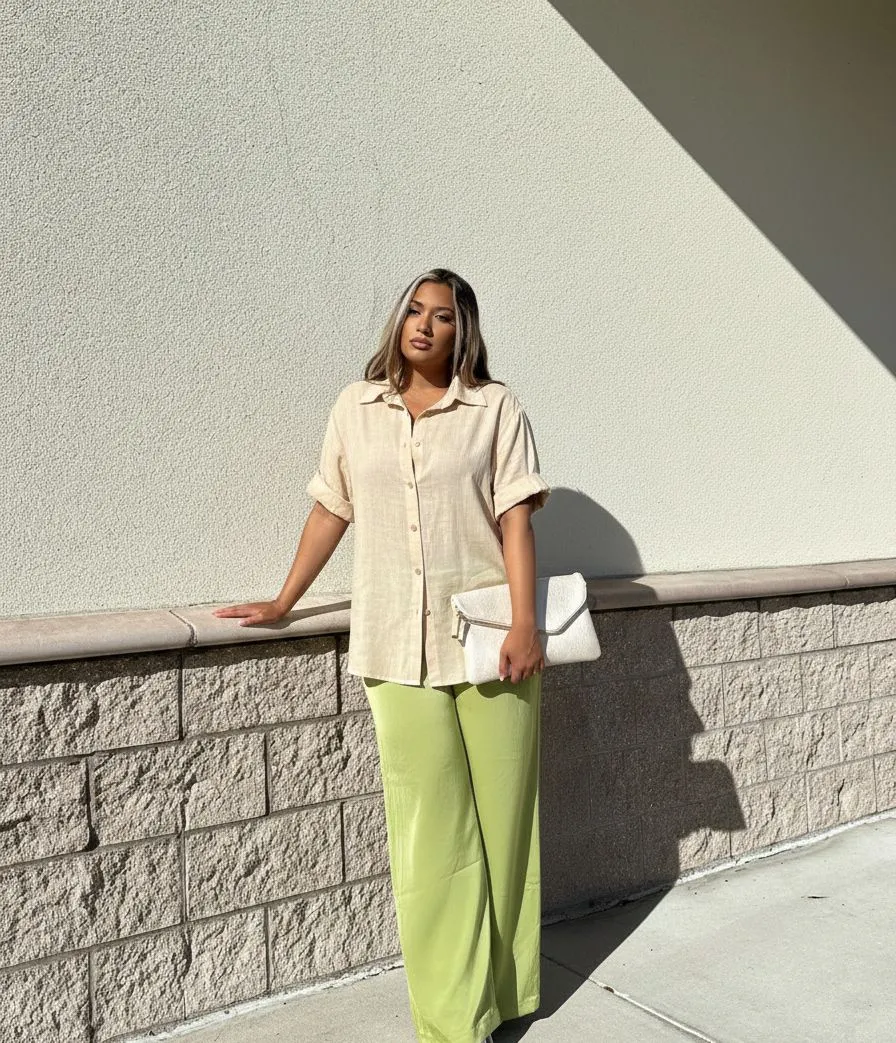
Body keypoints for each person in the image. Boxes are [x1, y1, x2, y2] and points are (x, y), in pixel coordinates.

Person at [214, 268, 551, 1043]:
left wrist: (524, 623)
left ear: (463, 330)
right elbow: (333, 507)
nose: (425, 325)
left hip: (488, 638)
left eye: (442, 316)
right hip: (394, 642)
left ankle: (503, 993)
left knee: (503, 825)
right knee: (432, 831)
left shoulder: (495, 407)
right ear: (398, 320)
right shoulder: (355, 408)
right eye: (414, 311)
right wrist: (283, 599)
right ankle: (452, 1019)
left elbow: (515, 521)